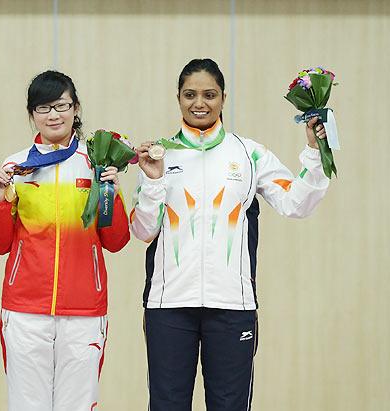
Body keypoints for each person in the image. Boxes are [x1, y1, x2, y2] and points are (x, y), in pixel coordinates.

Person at [131, 58, 330, 411]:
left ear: (224, 97)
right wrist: (153, 180)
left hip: (233, 306)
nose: (199, 103)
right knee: (167, 405)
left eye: (209, 94)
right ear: (177, 97)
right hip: (169, 306)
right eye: (190, 94)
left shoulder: (250, 153)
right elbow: (144, 229)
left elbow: (296, 204)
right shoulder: (158, 154)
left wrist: (315, 154)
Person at [0, 70, 130, 411]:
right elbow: (0, 243)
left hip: (84, 309)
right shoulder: (17, 166)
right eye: (43, 107)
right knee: (27, 405)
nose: (53, 115)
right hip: (24, 308)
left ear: (75, 108)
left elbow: (116, 240)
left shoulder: (95, 163)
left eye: (61, 105)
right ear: (32, 114)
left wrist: (115, 194)